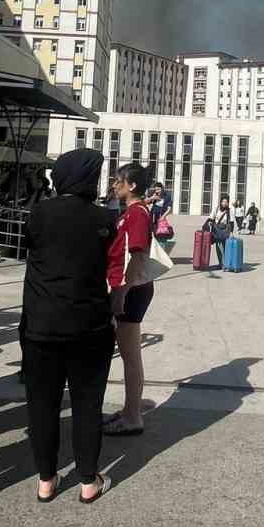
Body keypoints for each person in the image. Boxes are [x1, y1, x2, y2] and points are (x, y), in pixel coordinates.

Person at [21, 149, 117, 504]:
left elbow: (30, 248)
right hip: (89, 326)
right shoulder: (104, 218)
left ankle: (46, 479)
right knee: (87, 402)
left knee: (42, 403)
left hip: (41, 325)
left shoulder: (38, 214)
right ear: (89, 179)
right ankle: (88, 481)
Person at [104, 163, 155, 440]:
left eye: (118, 181)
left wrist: (121, 293)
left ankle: (133, 416)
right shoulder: (134, 211)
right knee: (129, 354)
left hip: (131, 290)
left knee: (130, 356)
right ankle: (129, 409)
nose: (114, 185)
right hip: (130, 288)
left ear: (131, 185)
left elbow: (136, 256)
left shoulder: (137, 213)